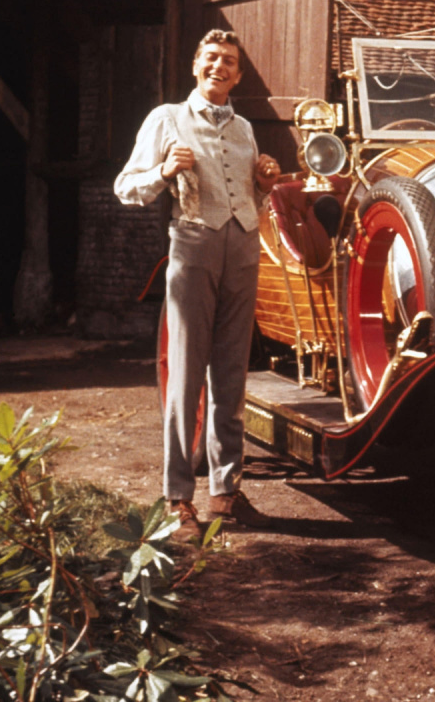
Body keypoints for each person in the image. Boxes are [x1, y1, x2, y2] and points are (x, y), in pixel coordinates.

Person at [115, 29, 281, 541]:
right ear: (195, 65)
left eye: (229, 61)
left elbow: (246, 190)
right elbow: (126, 188)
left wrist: (264, 179)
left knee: (232, 373)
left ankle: (226, 491)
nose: (220, 67)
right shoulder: (166, 118)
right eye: (211, 58)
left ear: (239, 73)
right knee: (187, 375)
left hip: (244, 248)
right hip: (193, 246)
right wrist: (164, 169)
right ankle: (178, 496)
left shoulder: (247, 127)